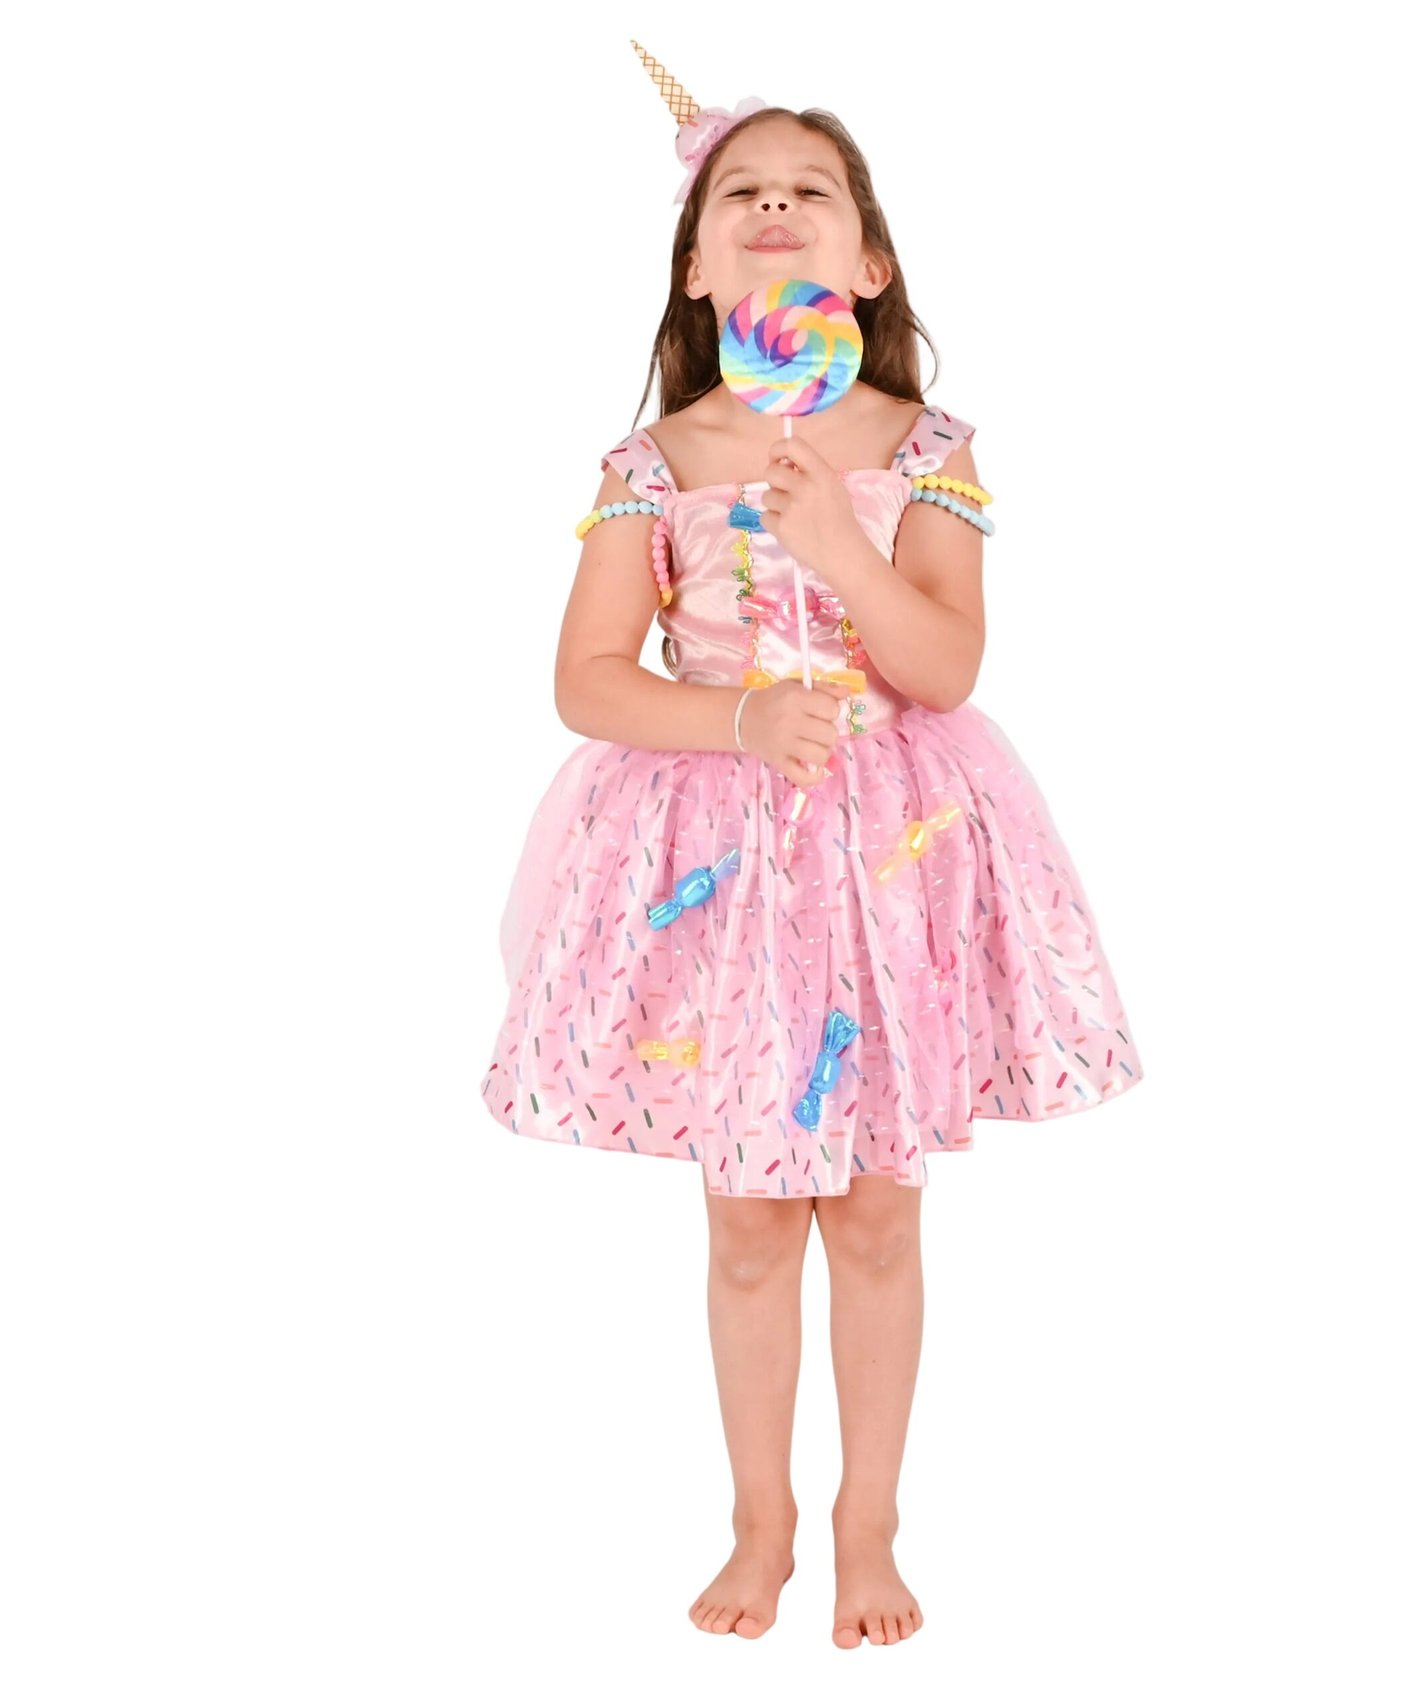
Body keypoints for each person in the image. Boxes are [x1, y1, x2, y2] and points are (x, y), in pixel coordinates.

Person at [479, 44, 1146, 1648]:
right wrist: (737, 719)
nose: (774, 208)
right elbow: (586, 679)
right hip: (724, 876)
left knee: (879, 1209)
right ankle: (759, 1521)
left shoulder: (928, 449)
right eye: (742, 195)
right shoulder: (652, 468)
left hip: (894, 858)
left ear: (868, 265)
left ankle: (871, 1526)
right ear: (700, 271)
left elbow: (946, 667)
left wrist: (841, 543)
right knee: (749, 1218)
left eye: (810, 191)